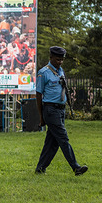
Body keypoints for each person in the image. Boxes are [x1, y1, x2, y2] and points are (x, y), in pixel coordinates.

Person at [35, 46, 88, 176]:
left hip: (60, 110)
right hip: (50, 110)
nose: (60, 62)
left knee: (52, 143)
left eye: (62, 60)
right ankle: (76, 167)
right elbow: (38, 95)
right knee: (63, 139)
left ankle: (40, 168)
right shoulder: (43, 73)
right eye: (58, 59)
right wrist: (41, 117)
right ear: (51, 58)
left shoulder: (60, 71)